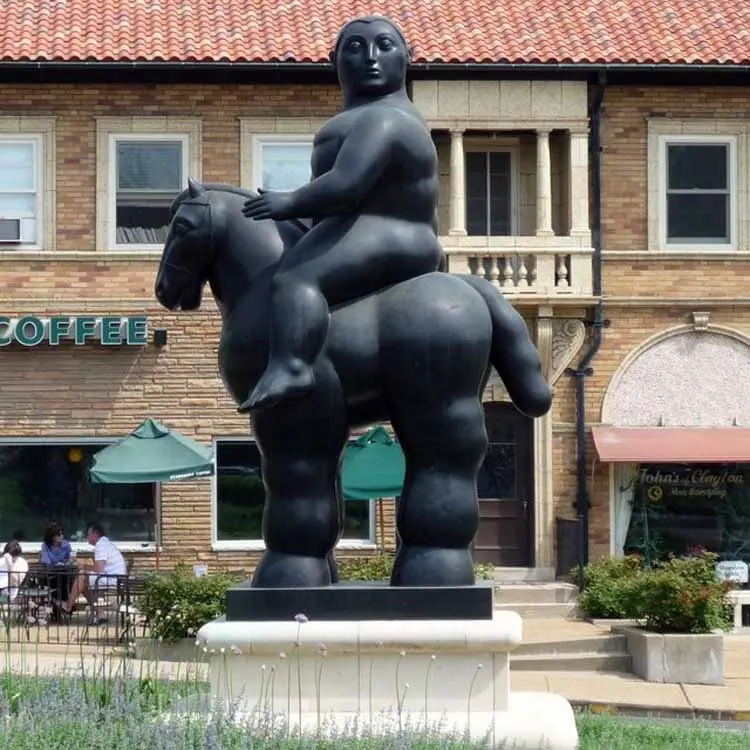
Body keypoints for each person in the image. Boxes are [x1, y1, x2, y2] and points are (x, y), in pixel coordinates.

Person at [241, 15, 444, 412]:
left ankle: (292, 366)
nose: (370, 57)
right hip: (367, 227)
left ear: (408, 56)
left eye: (385, 46)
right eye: (355, 47)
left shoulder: (385, 118)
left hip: (394, 232)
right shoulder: (368, 116)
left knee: (296, 277)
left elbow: (347, 183)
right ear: (334, 59)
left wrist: (289, 202)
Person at [59, 522, 126, 619]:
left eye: (88, 534)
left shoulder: (100, 545)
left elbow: (98, 569)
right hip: (116, 577)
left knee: (82, 576)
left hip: (113, 579)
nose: (87, 536)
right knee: (84, 582)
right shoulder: (105, 543)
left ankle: (69, 607)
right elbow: (100, 567)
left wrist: (84, 566)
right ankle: (98, 612)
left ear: (95, 534)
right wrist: (87, 566)